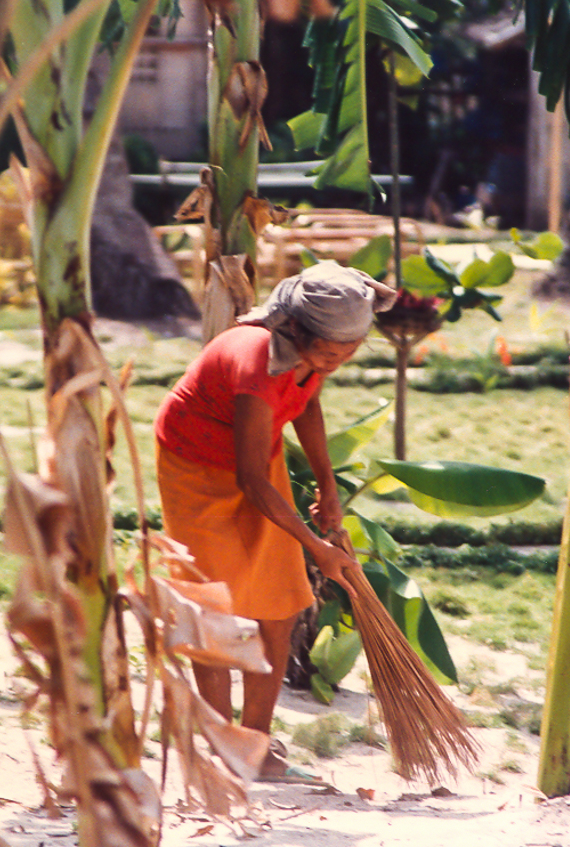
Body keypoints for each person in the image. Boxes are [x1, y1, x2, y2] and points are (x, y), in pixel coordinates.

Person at [154, 261, 397, 783]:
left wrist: (328, 486)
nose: (338, 362)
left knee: (281, 605)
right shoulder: (254, 361)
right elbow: (251, 481)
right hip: (195, 465)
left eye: (350, 352)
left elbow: (306, 404)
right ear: (294, 329)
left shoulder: (306, 356)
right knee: (212, 610)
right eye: (331, 353)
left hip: (253, 459)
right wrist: (315, 545)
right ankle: (223, 749)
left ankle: (254, 746)